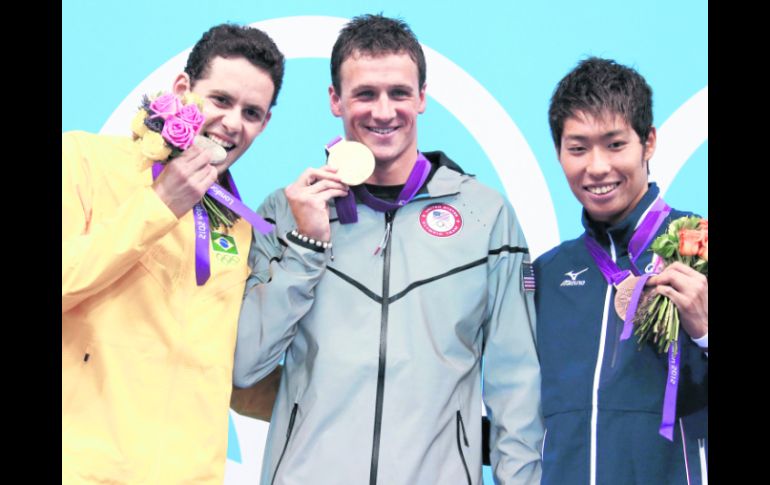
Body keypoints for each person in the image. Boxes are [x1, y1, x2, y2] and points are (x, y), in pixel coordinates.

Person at [233, 14, 544, 485]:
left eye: (398, 92)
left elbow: (516, 385)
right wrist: (306, 244)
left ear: (422, 97)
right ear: (335, 100)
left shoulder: (485, 216)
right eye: (364, 94)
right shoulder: (285, 211)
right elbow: (243, 365)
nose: (383, 111)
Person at [62, 23, 288, 484]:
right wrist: (160, 204)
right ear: (182, 88)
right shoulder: (83, 158)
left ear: (264, 124)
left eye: (251, 112)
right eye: (220, 100)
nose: (231, 123)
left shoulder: (240, 225)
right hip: (85, 469)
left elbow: (232, 376)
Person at [534, 57, 708, 485]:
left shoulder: (701, 245)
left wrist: (705, 332)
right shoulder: (548, 274)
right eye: (578, 148)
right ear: (558, 153)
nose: (596, 167)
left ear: (648, 142)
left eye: (615, 144)